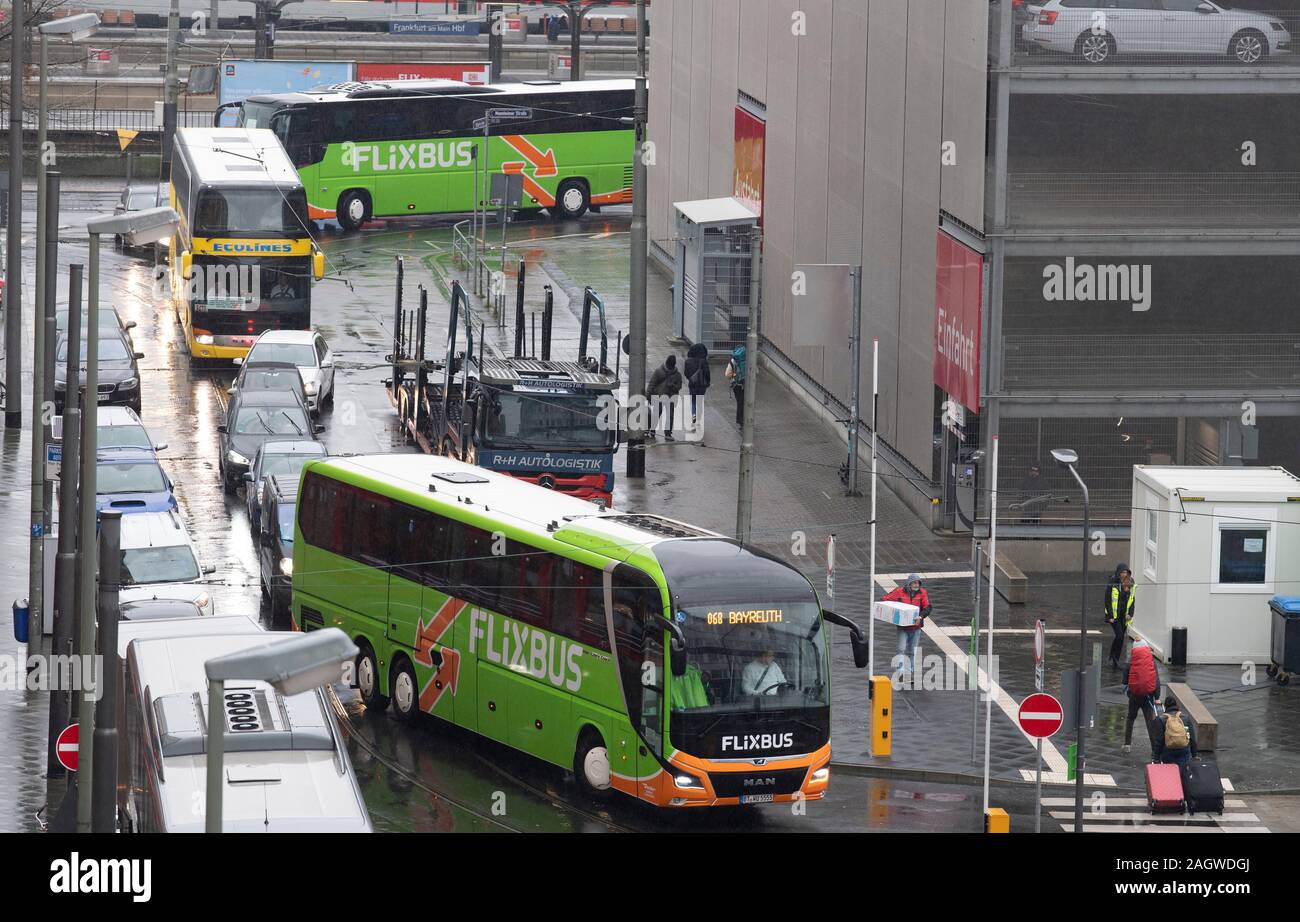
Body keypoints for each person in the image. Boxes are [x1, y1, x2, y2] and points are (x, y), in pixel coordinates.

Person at [882, 573, 931, 678]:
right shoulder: (899, 591)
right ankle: (900, 672)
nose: (916, 585)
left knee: (912, 651)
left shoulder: (922, 593)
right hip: (902, 627)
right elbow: (886, 599)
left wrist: (921, 616)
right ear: (909, 583)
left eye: (918, 583)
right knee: (901, 649)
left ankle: (909, 672)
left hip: (916, 627)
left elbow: (927, 607)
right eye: (914, 582)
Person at [1120, 639, 1159, 754]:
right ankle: (1154, 748)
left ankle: (1127, 744)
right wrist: (1157, 696)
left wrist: (1129, 686)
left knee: (1130, 718)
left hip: (1134, 694)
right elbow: (1156, 679)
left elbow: (1124, 678)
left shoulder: (1131, 660)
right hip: (1148, 695)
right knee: (1149, 721)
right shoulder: (1151, 660)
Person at [1151, 695, 1197, 768]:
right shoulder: (1185, 718)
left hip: (1168, 751)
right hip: (1183, 750)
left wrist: (1156, 758)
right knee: (1183, 774)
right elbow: (1192, 738)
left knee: (1171, 775)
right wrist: (1194, 755)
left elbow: (1159, 741)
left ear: (1165, 707)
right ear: (1177, 705)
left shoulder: (1161, 719)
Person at [1104, 563, 1136, 668]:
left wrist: (1130, 614)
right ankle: (1114, 659)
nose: (1124, 574)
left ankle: (1113, 658)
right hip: (1114, 616)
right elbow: (1108, 600)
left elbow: (1132, 600)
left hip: (1124, 616)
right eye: (1122, 572)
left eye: (1126, 572)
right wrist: (1110, 616)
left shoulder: (1130, 583)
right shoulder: (1112, 583)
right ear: (1118, 573)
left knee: (1120, 638)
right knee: (1119, 635)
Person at [647, 354, 683, 440]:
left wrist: (673, 386)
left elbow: (679, 386)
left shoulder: (677, 375)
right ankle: (652, 430)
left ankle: (668, 433)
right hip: (659, 397)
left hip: (670, 398)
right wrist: (648, 395)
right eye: (668, 366)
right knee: (656, 414)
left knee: (670, 416)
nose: (669, 368)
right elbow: (652, 384)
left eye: (670, 367)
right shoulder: (659, 371)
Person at [684, 341, 711, 431]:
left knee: (693, 403)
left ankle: (694, 420)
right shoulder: (704, 361)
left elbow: (686, 373)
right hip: (702, 385)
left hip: (692, 385)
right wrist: (708, 382)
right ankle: (699, 421)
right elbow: (707, 373)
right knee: (699, 403)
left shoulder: (688, 361)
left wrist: (691, 379)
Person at [725, 345, 746, 427]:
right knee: (745, 402)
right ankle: (745, 418)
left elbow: (727, 375)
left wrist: (734, 374)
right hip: (746, 384)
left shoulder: (733, 361)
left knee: (739, 402)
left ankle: (740, 419)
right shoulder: (747, 359)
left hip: (736, 385)